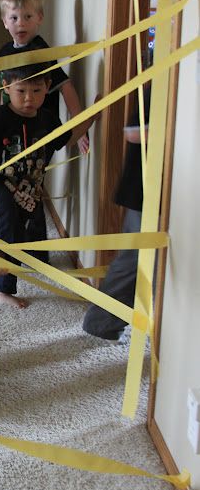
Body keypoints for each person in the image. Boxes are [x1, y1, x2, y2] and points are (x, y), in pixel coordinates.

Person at [0, 65, 87, 309]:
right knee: (6, 218)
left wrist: (94, 114)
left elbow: (70, 138)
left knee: (21, 225)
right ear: (7, 88)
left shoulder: (48, 119)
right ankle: (3, 287)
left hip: (28, 187)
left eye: (36, 90)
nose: (29, 98)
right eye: (21, 90)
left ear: (47, 88)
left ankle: (8, 252)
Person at [83, 83, 152, 341]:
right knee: (132, 260)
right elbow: (132, 132)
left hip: (158, 189)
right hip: (142, 189)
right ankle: (101, 323)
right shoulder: (159, 82)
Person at [0, 0, 91, 154]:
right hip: (16, 127)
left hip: (41, 128)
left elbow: (65, 86)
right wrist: (1, 120)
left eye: (28, 17)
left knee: (35, 171)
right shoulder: (5, 53)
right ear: (5, 21)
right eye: (14, 18)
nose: (21, 24)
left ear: (39, 18)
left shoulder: (41, 52)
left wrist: (79, 128)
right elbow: (5, 91)